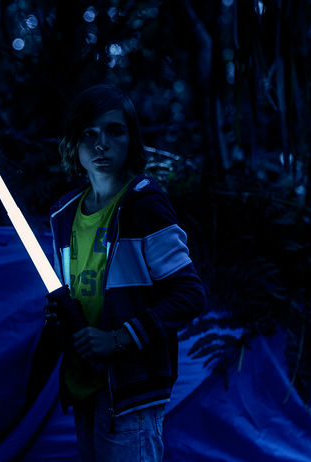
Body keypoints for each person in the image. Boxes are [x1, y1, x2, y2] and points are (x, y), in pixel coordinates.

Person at [42, 84, 205, 462]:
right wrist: (61, 313)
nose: (101, 144)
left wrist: (116, 339)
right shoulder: (63, 215)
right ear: (73, 143)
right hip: (84, 385)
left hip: (129, 390)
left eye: (114, 131)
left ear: (131, 139)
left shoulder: (143, 204)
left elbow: (189, 294)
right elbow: (77, 290)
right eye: (89, 133)